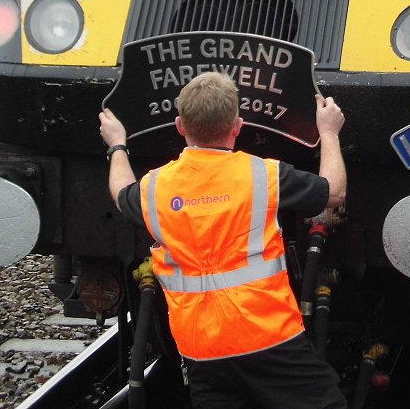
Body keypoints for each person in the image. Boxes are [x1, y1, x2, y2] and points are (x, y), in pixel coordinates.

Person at [99, 71, 348, 409]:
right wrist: (329, 132)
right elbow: (334, 191)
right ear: (237, 126)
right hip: (269, 338)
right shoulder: (263, 174)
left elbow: (121, 193)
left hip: (202, 349)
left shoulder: (154, 188)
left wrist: (117, 144)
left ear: (180, 126)